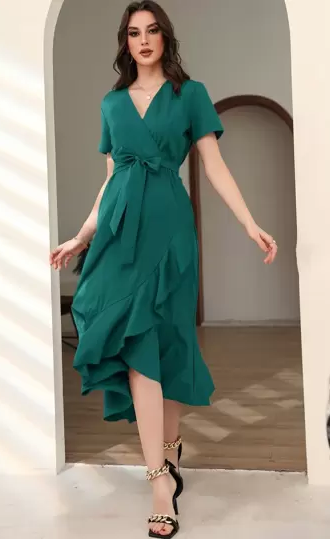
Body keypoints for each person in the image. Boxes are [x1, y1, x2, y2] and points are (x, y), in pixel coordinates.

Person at [49, 1, 278, 537]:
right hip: (119, 235)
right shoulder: (112, 104)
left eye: (152, 30)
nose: (144, 40)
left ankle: (170, 452)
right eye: (134, 33)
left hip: (171, 233)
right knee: (135, 346)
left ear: (164, 37)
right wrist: (81, 236)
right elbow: (110, 181)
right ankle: (159, 482)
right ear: (125, 43)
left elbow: (214, 166)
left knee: (168, 342)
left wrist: (249, 222)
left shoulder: (189, 95)